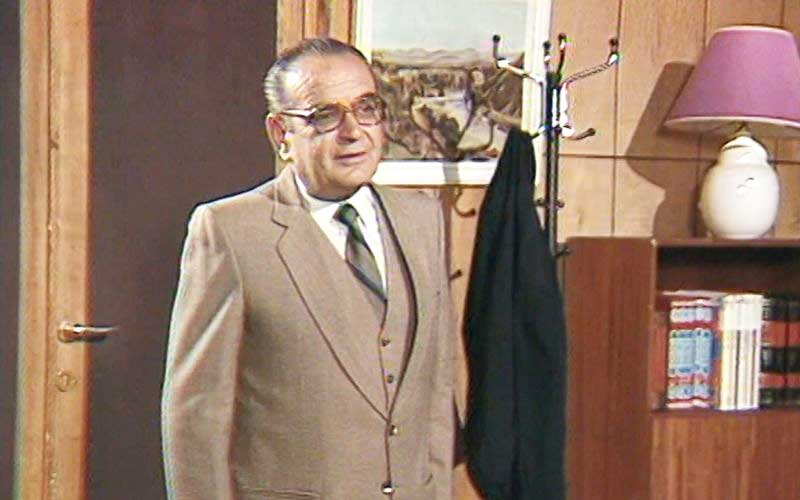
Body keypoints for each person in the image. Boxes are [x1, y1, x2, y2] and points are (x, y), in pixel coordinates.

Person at [161, 38, 458, 500]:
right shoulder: (231, 231)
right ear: (281, 133)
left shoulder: (421, 218)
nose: (353, 132)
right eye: (325, 116)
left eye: (367, 108)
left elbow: (435, 392)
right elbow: (196, 418)